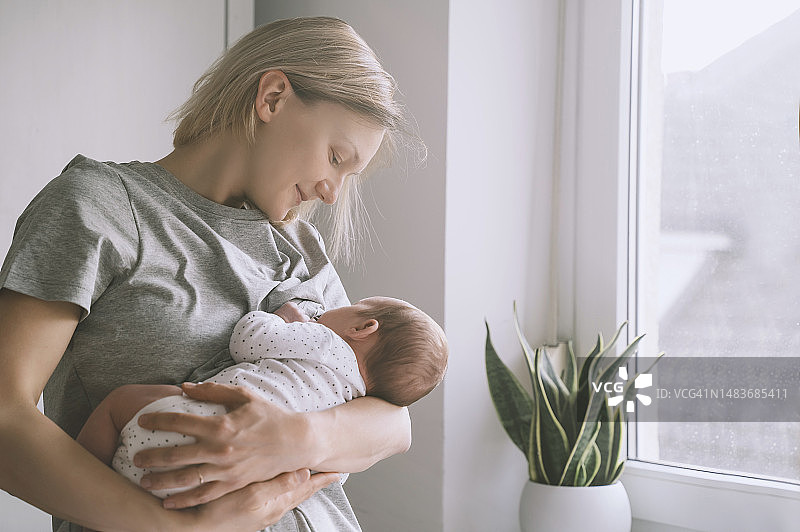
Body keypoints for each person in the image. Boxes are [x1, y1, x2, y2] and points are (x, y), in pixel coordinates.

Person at [0, 16, 424, 532]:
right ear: (272, 98)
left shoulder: (298, 248)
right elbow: (5, 417)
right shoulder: (100, 208)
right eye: (335, 157)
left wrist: (294, 439)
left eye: (347, 175)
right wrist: (180, 528)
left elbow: (392, 421)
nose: (332, 193)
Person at [76, 297, 448, 499]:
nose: (327, 308)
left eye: (355, 304)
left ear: (362, 327)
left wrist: (284, 318)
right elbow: (333, 475)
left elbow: (248, 341)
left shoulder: (324, 341)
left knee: (119, 404)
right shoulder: (353, 407)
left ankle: (84, 484)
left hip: (190, 419)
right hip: (213, 488)